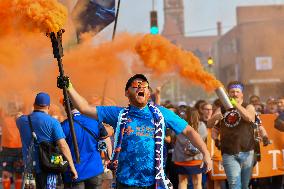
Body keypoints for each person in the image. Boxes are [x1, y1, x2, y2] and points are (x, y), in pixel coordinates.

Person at [59, 74, 212, 189]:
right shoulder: (118, 114)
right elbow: (85, 108)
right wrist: (69, 87)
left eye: (144, 86)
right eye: (135, 85)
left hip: (153, 182)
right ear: (127, 93)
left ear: (149, 92)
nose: (140, 88)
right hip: (126, 182)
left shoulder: (161, 113)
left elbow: (189, 131)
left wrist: (205, 153)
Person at [16, 92, 78, 188]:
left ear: (34, 105)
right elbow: (63, 145)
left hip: (29, 170)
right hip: (48, 169)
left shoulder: (21, 121)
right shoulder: (53, 122)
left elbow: (17, 116)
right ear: (48, 107)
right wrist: (72, 167)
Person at [208, 81, 256, 189]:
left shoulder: (248, 106)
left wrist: (236, 105)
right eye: (232, 91)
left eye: (237, 91)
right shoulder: (222, 108)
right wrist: (216, 117)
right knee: (234, 184)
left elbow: (249, 118)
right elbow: (209, 124)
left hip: (247, 151)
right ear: (228, 94)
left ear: (242, 94)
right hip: (229, 152)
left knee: (245, 185)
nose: (235, 94)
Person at [61, 98, 110, 189]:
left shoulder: (63, 126)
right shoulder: (95, 121)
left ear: (65, 107)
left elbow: (61, 148)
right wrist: (108, 158)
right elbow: (106, 139)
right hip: (95, 170)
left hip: (75, 173)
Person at [173, 109, 207, 189]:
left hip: (181, 158)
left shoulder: (180, 125)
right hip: (197, 158)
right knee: (197, 182)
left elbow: (173, 137)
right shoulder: (201, 125)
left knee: (182, 181)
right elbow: (204, 138)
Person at [0, 102, 24, 189]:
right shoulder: (19, 118)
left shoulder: (20, 118)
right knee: (14, 174)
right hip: (13, 150)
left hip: (14, 150)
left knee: (13, 174)